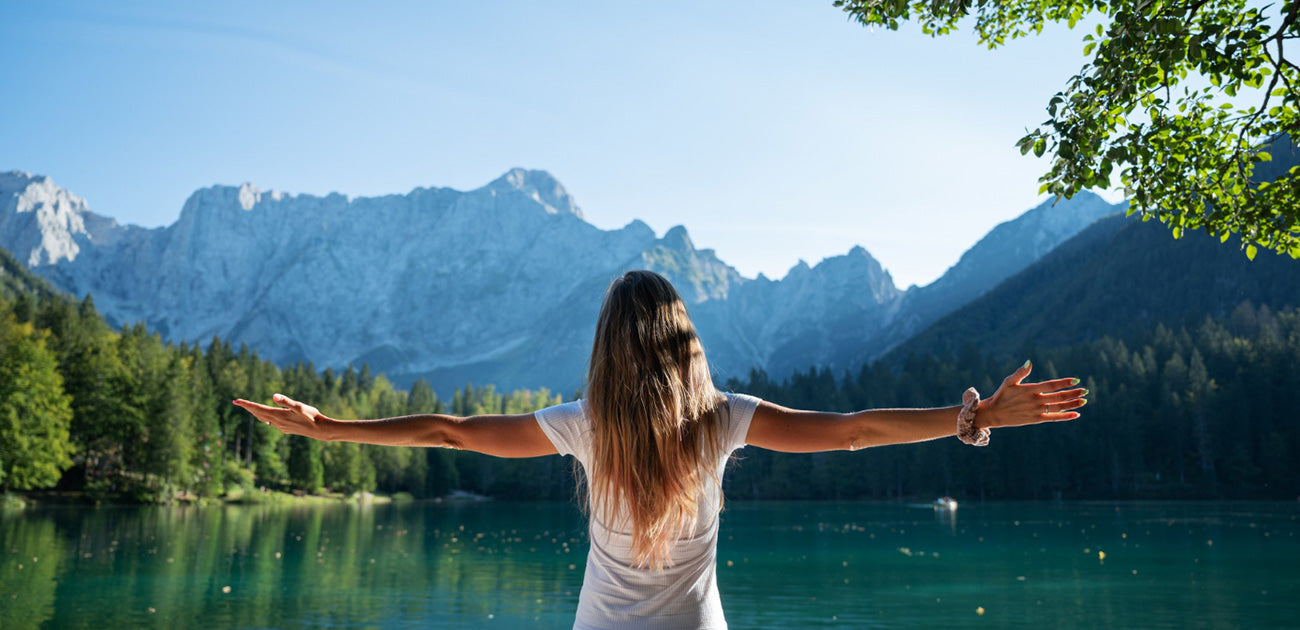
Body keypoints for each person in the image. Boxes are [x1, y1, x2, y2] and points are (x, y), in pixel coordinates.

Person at [234, 269, 1086, 630]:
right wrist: (971, 418)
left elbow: (448, 432)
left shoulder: (583, 425)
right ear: (686, 342)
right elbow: (856, 428)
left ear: (607, 349)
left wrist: (328, 428)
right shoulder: (723, 418)